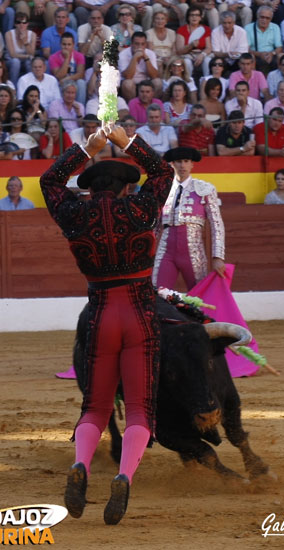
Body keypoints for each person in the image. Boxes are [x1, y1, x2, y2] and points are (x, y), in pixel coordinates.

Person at [39, 124, 174, 525]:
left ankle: (81, 464)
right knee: (138, 410)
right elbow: (164, 173)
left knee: (95, 407)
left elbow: (49, 180)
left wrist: (86, 147)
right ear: (123, 188)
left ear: (92, 188)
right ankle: (123, 476)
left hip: (99, 314)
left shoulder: (74, 212)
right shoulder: (140, 207)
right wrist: (126, 141)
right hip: (140, 315)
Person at [152, 146, 225, 291]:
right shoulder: (162, 189)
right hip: (166, 250)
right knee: (157, 293)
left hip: (194, 251)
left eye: (186, 161)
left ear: (192, 164)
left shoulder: (205, 189)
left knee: (199, 295)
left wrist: (218, 257)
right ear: (172, 164)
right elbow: (155, 226)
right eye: (178, 161)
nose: (182, 165)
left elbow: (216, 224)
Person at [119, 31, 162, 101]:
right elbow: (128, 76)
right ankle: (132, 107)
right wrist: (135, 58)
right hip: (131, 82)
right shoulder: (123, 54)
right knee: (127, 84)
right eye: (137, 44)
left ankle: (153, 107)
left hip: (146, 81)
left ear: (146, 45)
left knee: (158, 82)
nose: (140, 47)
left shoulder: (150, 54)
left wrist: (146, 58)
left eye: (142, 44)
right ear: (132, 44)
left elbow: (154, 75)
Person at [48, 32, 86, 105]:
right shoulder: (53, 57)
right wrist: (67, 58)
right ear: (60, 44)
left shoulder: (79, 56)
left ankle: (81, 108)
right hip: (60, 83)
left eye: (69, 44)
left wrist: (67, 79)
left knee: (81, 83)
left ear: (73, 45)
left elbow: (80, 74)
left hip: (73, 82)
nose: (66, 47)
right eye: (64, 44)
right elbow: (59, 76)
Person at [175, 5, 212, 78]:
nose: (194, 17)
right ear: (188, 17)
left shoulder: (206, 29)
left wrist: (202, 55)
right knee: (187, 62)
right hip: (187, 55)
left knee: (207, 60)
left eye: (197, 15)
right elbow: (179, 51)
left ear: (200, 17)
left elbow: (209, 48)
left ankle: (207, 81)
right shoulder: (182, 30)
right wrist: (190, 45)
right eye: (192, 15)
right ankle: (189, 82)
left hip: (201, 55)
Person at [245, 6, 283, 75]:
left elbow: (279, 47)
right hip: (255, 55)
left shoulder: (275, 27)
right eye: (262, 17)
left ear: (271, 19)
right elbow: (246, 49)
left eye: (267, 18)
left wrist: (272, 54)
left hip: (271, 55)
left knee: (281, 56)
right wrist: (260, 54)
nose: (264, 20)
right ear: (257, 16)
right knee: (250, 57)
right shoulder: (248, 28)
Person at [4, 13, 37, 86]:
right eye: (18, 22)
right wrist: (27, 56)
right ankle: (13, 86)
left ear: (27, 24)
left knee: (29, 62)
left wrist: (25, 42)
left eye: (24, 22)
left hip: (26, 61)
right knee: (16, 62)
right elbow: (12, 54)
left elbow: (32, 53)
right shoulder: (9, 34)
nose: (21, 25)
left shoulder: (32, 35)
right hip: (11, 61)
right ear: (15, 24)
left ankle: (31, 85)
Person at [145, 9, 176, 76]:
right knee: (159, 63)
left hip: (169, 57)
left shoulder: (172, 32)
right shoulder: (149, 33)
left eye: (162, 19)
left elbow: (174, 50)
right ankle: (160, 83)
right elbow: (150, 51)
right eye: (157, 19)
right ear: (153, 21)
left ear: (166, 21)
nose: (160, 21)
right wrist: (161, 58)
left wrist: (170, 58)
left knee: (175, 63)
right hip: (155, 57)